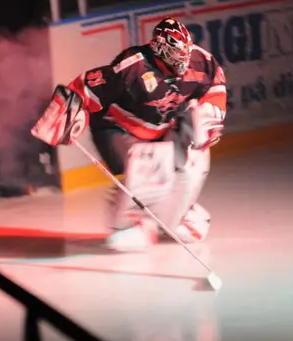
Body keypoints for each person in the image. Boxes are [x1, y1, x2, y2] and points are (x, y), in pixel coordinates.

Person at [31, 17, 227, 252]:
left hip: (162, 128)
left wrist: (213, 114)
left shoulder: (200, 61)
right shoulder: (133, 66)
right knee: (148, 165)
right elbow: (86, 85)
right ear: (160, 50)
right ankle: (126, 223)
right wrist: (67, 110)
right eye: (176, 54)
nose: (183, 59)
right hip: (118, 129)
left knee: (193, 162)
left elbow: (215, 83)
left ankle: (177, 214)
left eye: (184, 52)